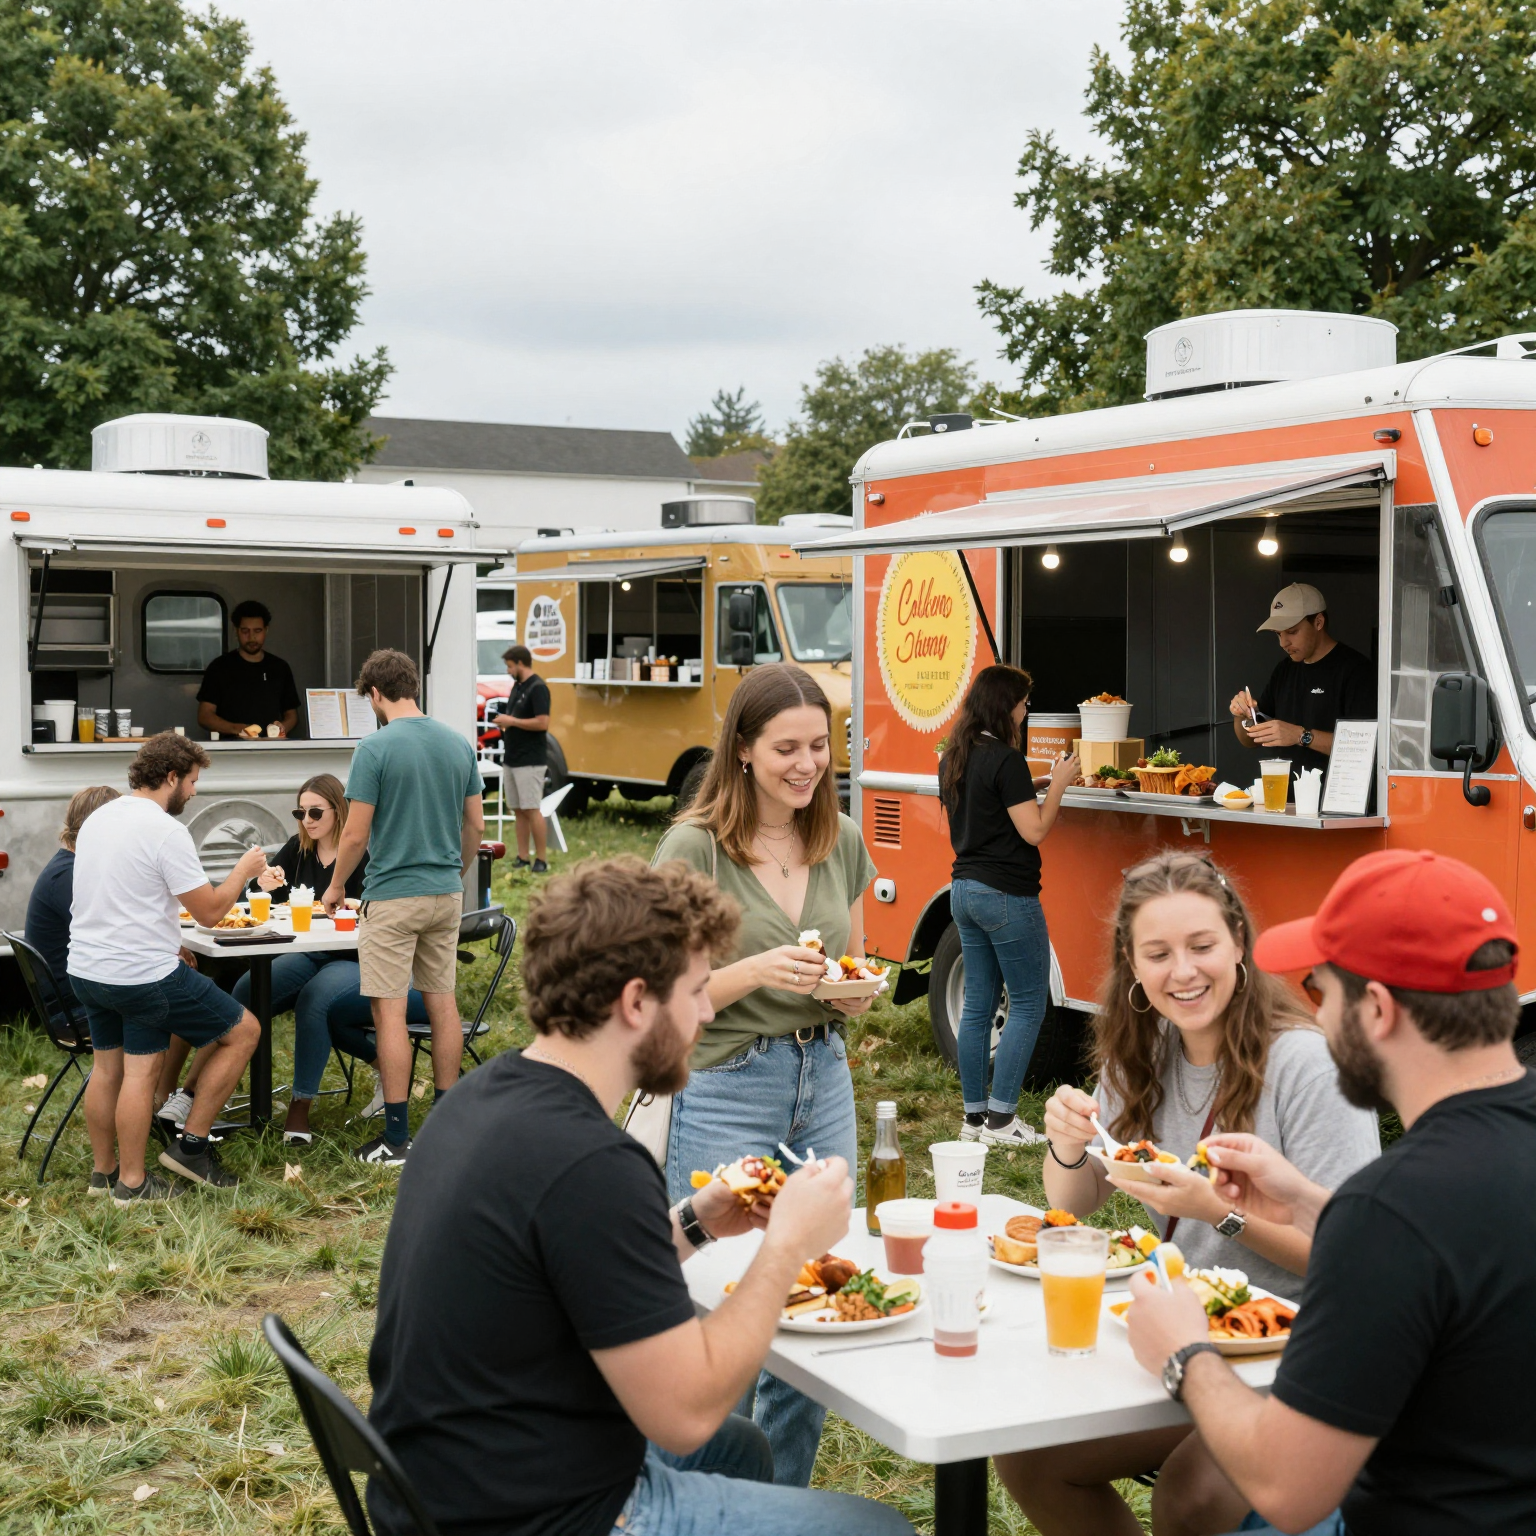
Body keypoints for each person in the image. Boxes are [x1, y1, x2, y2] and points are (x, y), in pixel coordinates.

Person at [366, 854, 911, 1536]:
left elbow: (573, 1259)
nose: (709, 1012)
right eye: (697, 991)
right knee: (879, 1530)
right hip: (534, 1516)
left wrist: (696, 1220)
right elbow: (684, 1412)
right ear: (635, 1002)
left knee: (744, 1448)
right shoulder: (592, 1162)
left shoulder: (484, 1097)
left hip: (441, 1484)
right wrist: (787, 1245)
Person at [1126, 848, 1536, 1536]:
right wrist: (1320, 1206)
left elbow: (1288, 1489)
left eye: (1320, 991)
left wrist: (1183, 1353)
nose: (1313, 1017)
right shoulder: (1422, 1201)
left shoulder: (1395, 1213)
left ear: (1375, 1008)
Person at [997, 850, 1380, 1536]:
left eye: (1202, 946)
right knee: (1029, 1457)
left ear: (1238, 942)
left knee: (1190, 1495)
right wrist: (1066, 1142)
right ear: (1133, 966)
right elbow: (1075, 1201)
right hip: (1183, 1337)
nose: (1183, 971)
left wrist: (1220, 1214)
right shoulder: (1143, 1051)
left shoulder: (1305, 1063)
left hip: (1299, 1353)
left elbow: (1356, 1260)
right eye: (1159, 953)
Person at [650, 661, 878, 1488]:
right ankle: (688, 1498)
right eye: (787, 747)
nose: (808, 764)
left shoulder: (839, 837)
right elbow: (662, 995)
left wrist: (853, 991)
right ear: (742, 749)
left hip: (824, 1073)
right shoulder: (693, 846)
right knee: (716, 1293)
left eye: (820, 745)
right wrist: (757, 973)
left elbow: (853, 962)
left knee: (814, 1288)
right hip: (727, 1080)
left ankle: (780, 1503)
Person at [67, 733, 265, 1203]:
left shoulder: (99, 817)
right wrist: (243, 870)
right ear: (171, 777)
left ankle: (105, 1175)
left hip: (87, 968)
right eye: (193, 781)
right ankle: (166, 1164)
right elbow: (211, 913)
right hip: (139, 975)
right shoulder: (164, 829)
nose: (194, 792)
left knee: (106, 1071)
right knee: (244, 1031)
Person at [323, 648, 484, 1167]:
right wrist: (453, 875)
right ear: (411, 686)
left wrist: (335, 885)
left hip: (392, 895)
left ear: (374, 694)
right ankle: (446, 1129)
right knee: (443, 1005)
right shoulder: (458, 742)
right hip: (445, 893)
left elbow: (354, 833)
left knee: (388, 1012)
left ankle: (396, 1138)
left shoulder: (375, 746)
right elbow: (476, 827)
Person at [231, 774, 425, 1145]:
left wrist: (360, 904)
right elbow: (263, 900)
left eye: (316, 811)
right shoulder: (298, 848)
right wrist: (262, 885)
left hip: (361, 959)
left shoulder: (366, 853)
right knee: (248, 990)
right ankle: (194, 1094)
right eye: (300, 811)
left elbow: (390, 909)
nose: (307, 819)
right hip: (308, 950)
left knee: (316, 999)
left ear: (339, 810)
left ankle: (299, 1107)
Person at [938, 663, 1079, 1147]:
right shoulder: (1004, 758)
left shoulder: (957, 755)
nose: (1026, 710)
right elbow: (1034, 830)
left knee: (977, 1007)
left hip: (964, 892)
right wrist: (1059, 781)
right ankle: (1003, 1122)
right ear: (1005, 705)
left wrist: (1036, 784)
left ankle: (974, 1120)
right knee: (1026, 1005)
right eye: (1023, 702)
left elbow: (993, 801)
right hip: (1006, 896)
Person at [1228, 582, 1375, 778]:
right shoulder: (1284, 670)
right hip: (1286, 802)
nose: (1283, 643)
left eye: (1292, 632)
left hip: (1337, 802)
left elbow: (1363, 748)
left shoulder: (1356, 670)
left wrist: (1301, 736)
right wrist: (1242, 715)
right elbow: (1251, 741)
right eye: (1278, 634)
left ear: (1318, 622)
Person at [24, 785, 120, 1023]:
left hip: (79, 994)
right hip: (72, 1009)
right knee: (175, 1004)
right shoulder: (69, 876)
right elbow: (112, 934)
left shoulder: (72, 866)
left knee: (181, 998)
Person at [197, 599, 300, 740]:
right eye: (245, 631)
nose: (251, 637)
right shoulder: (220, 667)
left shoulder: (279, 667)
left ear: (266, 630)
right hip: (231, 749)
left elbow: (291, 715)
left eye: (257, 631)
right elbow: (205, 716)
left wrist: (281, 730)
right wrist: (236, 729)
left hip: (272, 749)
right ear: (236, 631)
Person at [492, 643, 551, 872]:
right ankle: (523, 856)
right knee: (518, 809)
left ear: (520, 663)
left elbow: (543, 722)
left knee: (531, 808)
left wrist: (512, 722)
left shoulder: (538, 688)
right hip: (512, 757)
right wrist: (506, 722)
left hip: (531, 759)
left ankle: (542, 859)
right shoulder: (518, 686)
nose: (508, 671)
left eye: (509, 666)